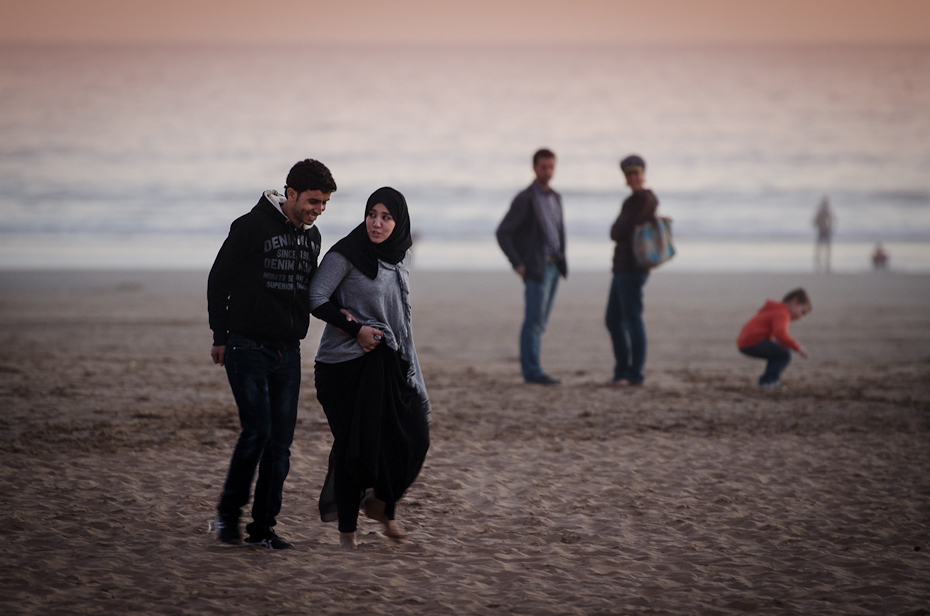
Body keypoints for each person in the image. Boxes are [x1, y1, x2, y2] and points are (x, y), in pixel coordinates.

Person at [207, 159, 337, 549]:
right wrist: (220, 335)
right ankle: (227, 516)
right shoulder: (250, 227)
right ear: (291, 193)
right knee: (257, 433)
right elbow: (219, 280)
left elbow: (312, 293)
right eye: (313, 201)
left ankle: (263, 529)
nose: (318, 210)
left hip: (289, 352)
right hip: (246, 345)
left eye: (325, 204)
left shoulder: (312, 238)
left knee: (281, 446)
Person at [309, 187, 430, 550]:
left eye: (386, 217)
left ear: (399, 221)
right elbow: (315, 296)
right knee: (356, 450)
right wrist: (354, 328)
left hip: (388, 362)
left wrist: (413, 373)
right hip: (342, 368)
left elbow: (402, 321)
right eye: (372, 214)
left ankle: (380, 505)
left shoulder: (401, 257)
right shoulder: (348, 253)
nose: (376, 223)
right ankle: (348, 535)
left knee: (415, 435)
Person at [496, 148, 567, 385]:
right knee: (534, 321)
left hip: (554, 265)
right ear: (534, 167)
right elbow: (503, 232)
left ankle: (533, 369)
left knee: (541, 321)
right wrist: (517, 263)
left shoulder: (555, 196)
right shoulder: (525, 198)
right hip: (536, 268)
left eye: (551, 167)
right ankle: (532, 372)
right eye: (543, 167)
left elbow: (557, 232)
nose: (547, 171)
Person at [605, 155, 658, 387]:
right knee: (613, 320)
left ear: (643, 175)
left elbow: (617, 231)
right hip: (621, 268)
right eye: (629, 174)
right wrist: (620, 228)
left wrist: (620, 228)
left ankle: (633, 374)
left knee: (632, 320)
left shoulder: (645, 199)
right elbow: (617, 231)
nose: (633, 177)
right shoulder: (631, 201)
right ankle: (622, 371)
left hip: (633, 269)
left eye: (637, 173)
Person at [737, 288, 811, 391]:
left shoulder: (775, 309)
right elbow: (781, 334)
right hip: (752, 342)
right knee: (784, 354)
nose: (800, 317)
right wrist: (797, 347)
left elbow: (779, 337)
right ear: (794, 301)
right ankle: (768, 382)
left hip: (745, 341)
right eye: (802, 311)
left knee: (779, 351)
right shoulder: (782, 312)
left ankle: (767, 381)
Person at [813, 196, 835, 272]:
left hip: (824, 231)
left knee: (824, 248)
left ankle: (825, 263)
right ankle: (819, 263)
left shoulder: (824, 211)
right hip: (823, 231)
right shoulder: (823, 211)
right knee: (821, 248)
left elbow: (814, 222)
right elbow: (815, 222)